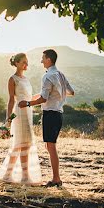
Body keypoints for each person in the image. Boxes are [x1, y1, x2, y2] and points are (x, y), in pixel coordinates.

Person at [18, 49, 74, 187]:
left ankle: (56, 179)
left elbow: (44, 98)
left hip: (50, 114)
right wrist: (57, 95)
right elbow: (71, 92)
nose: (41, 61)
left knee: (51, 147)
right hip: (59, 114)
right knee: (50, 146)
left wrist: (28, 103)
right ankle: (56, 178)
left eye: (43, 58)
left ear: (49, 59)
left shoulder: (48, 76)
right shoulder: (60, 74)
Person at [0, 52, 43, 185]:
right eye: (23, 62)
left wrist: (44, 95)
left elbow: (29, 97)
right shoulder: (12, 79)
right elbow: (11, 100)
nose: (26, 64)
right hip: (19, 113)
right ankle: (25, 176)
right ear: (16, 63)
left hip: (28, 111)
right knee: (24, 143)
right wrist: (8, 119)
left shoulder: (26, 79)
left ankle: (7, 174)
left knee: (19, 144)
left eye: (27, 62)